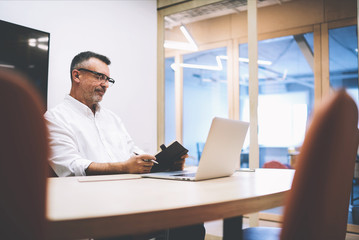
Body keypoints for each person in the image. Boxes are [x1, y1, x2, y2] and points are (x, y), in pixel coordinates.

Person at [45, 51, 205, 240]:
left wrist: (166, 164)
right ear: (77, 75)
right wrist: (124, 167)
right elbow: (71, 167)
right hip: (93, 208)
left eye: (108, 80)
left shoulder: (112, 119)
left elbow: (133, 153)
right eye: (99, 77)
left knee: (191, 218)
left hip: (130, 199)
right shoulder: (54, 119)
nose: (104, 84)